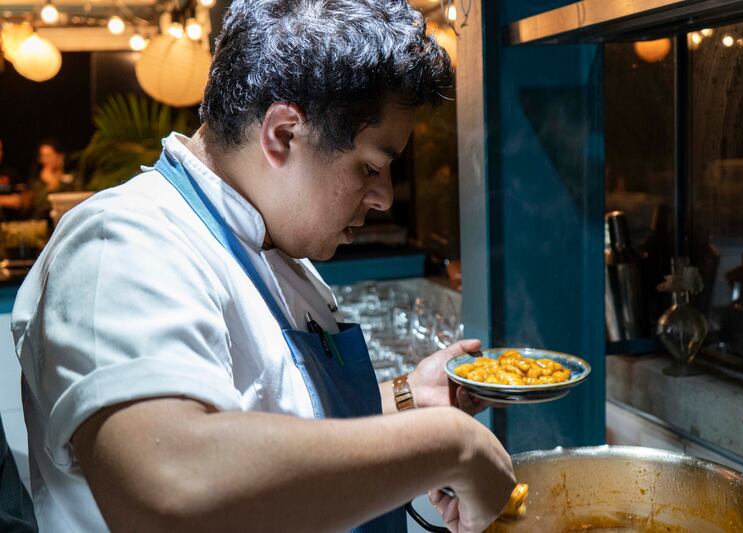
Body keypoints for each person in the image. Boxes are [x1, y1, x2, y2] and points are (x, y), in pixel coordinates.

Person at [11, 1, 516, 533]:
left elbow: (280, 420)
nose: (385, 197)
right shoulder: (122, 242)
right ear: (283, 134)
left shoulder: (273, 245)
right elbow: (171, 487)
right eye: (370, 166)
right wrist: (448, 446)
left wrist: (409, 398)